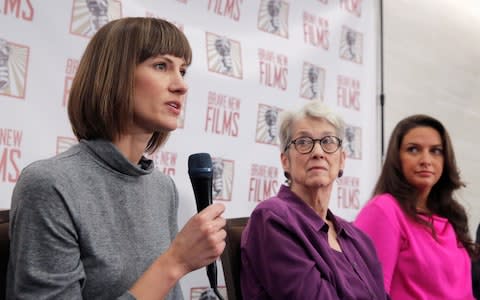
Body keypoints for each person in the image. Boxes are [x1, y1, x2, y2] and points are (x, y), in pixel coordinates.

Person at [7, 17, 226, 299]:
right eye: (161, 66)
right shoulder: (50, 185)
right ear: (114, 74)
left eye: (183, 71)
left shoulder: (163, 189)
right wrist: (175, 262)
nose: (181, 85)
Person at [240, 101, 389, 299]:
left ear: (342, 159)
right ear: (285, 161)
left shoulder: (360, 240)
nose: (318, 152)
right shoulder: (272, 219)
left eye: (328, 142)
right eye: (303, 142)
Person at [355, 114, 479, 299]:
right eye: (413, 150)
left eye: (436, 151)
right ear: (397, 158)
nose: (426, 160)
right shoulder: (384, 210)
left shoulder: (452, 215)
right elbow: (366, 292)